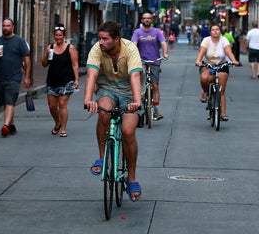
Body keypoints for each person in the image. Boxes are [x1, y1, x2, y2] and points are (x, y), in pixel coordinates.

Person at [84, 21, 143, 202]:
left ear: (116, 39)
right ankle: (102, 159)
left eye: (105, 39)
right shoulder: (97, 49)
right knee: (104, 112)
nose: (100, 42)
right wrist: (88, 99)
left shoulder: (130, 49)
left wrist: (136, 101)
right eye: (99, 38)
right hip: (107, 88)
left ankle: (131, 178)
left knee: (127, 131)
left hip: (129, 92)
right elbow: (92, 73)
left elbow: (134, 75)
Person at [0, 17, 31, 137]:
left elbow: (27, 60)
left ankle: (5, 126)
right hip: (0, 76)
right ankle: (11, 125)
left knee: (10, 100)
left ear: (12, 27)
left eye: (8, 26)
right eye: (4, 26)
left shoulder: (19, 41)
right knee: (5, 102)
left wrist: (27, 77)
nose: (5, 28)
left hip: (15, 76)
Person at [195, 22, 240, 121]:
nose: (215, 31)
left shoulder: (224, 40)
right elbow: (201, 52)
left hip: (222, 65)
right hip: (208, 64)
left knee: (222, 91)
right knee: (204, 78)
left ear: (220, 31)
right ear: (210, 32)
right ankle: (205, 92)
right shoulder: (206, 40)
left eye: (217, 29)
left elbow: (228, 51)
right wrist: (198, 61)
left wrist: (234, 60)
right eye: (213, 30)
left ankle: (223, 113)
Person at [41, 23, 79, 137]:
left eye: (60, 35)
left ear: (64, 36)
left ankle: (63, 128)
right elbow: (44, 64)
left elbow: (75, 64)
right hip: (52, 80)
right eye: (56, 35)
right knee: (52, 106)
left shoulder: (70, 48)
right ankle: (57, 122)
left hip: (66, 79)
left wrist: (76, 79)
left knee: (62, 104)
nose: (58, 37)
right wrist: (46, 54)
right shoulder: (50, 47)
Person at [132, 11, 168, 120]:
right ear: (141, 20)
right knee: (139, 84)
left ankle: (156, 110)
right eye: (145, 18)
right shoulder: (137, 32)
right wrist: (133, 55)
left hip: (154, 61)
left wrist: (165, 53)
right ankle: (139, 103)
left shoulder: (157, 32)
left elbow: (163, 43)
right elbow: (133, 44)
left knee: (155, 85)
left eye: (149, 18)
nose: (147, 20)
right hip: (141, 61)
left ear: (152, 20)